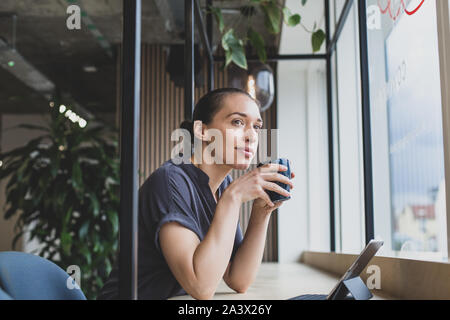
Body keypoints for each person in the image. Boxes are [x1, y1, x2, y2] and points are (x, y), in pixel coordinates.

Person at [98, 88, 295, 300]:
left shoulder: (222, 186)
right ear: (202, 130)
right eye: (238, 122)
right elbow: (201, 287)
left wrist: (261, 212)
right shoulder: (170, 181)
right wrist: (233, 197)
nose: (252, 136)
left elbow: (238, 279)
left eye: (256, 127)